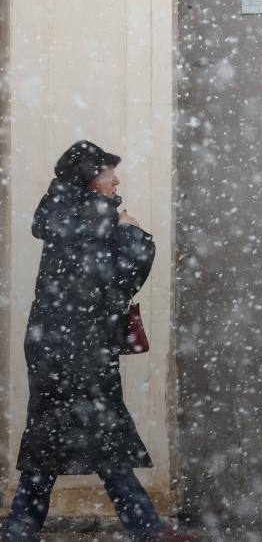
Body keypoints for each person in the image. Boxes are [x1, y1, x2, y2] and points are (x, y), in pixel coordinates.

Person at [4, 141, 194, 542]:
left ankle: (21, 531)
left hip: (55, 346)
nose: (116, 179)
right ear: (90, 179)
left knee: (51, 440)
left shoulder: (71, 219)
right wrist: (134, 233)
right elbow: (118, 281)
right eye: (109, 172)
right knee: (96, 438)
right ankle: (146, 530)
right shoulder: (96, 224)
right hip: (79, 349)